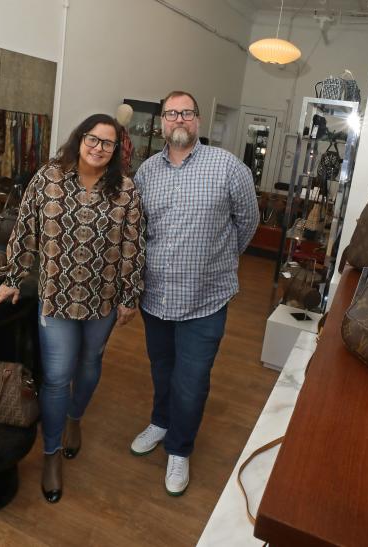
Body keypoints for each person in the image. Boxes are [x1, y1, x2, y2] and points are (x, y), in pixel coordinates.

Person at [0, 113, 145, 503]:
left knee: (90, 365)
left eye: (108, 144)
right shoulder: (48, 178)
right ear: (80, 139)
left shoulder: (125, 189)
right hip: (56, 296)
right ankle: (52, 453)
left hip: (103, 298)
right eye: (93, 139)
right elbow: (26, 229)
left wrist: (130, 295)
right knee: (57, 377)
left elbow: (132, 245)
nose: (98, 148)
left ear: (116, 151)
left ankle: (76, 418)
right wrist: (12, 277)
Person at [130, 91, 259, 496]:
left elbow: (248, 222)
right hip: (156, 298)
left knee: (192, 379)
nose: (178, 119)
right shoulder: (147, 172)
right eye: (171, 113)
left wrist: (215, 262)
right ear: (162, 123)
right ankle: (161, 420)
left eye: (186, 112)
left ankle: (180, 448)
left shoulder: (227, 167)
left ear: (197, 121)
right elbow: (140, 229)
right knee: (161, 369)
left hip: (205, 298)